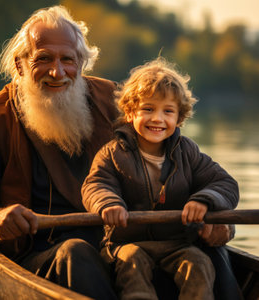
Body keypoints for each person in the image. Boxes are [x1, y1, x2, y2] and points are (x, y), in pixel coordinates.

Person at [0, 5, 237, 300]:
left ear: (83, 63)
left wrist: (215, 216)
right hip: (45, 255)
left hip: (130, 240)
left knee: (207, 251)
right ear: (20, 65)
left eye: (69, 60)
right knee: (76, 252)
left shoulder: (119, 103)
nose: (57, 72)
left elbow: (182, 164)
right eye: (43, 58)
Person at [82, 57, 241, 299]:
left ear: (179, 118)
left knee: (199, 263)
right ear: (130, 112)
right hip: (126, 243)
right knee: (132, 263)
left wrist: (204, 201)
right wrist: (108, 204)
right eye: (148, 109)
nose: (157, 119)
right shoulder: (112, 153)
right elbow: (95, 185)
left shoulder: (188, 152)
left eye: (168, 111)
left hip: (178, 243)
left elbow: (225, 184)